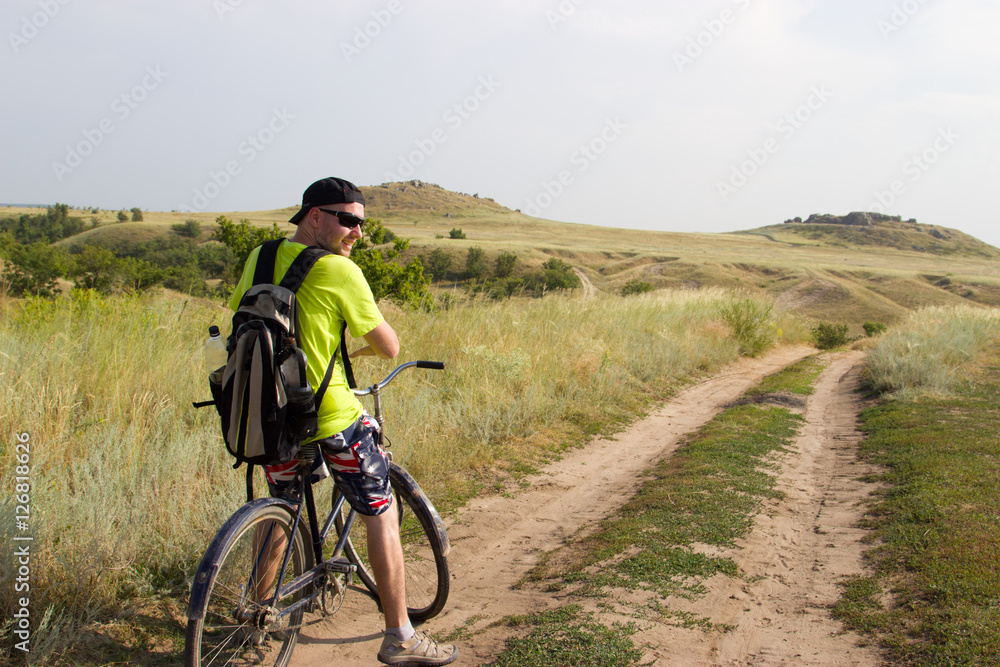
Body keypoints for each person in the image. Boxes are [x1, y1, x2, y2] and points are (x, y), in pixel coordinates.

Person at [228, 177, 458, 666]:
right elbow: (389, 347)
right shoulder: (339, 270)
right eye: (348, 220)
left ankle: (257, 616)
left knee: (281, 505)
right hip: (330, 415)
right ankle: (400, 636)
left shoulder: (259, 257)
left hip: (271, 415)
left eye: (361, 222)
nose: (356, 232)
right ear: (315, 216)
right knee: (381, 509)